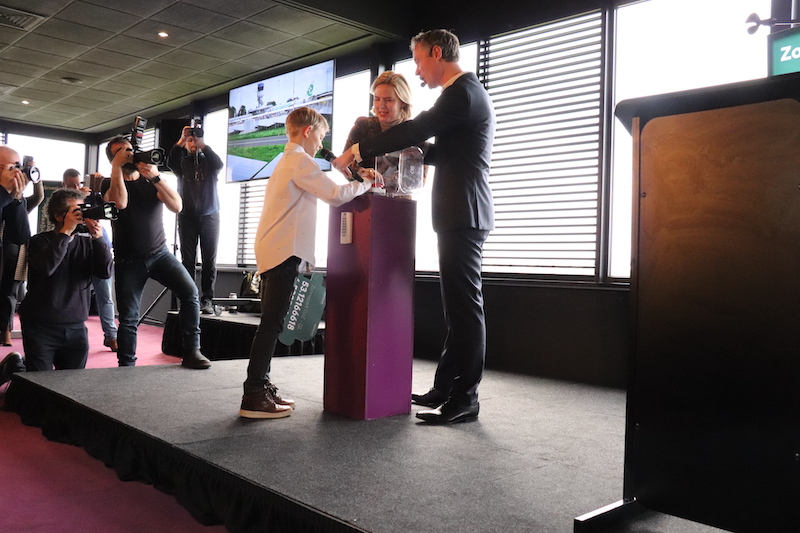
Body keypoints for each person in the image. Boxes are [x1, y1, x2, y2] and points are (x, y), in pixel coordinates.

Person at [333, 29, 496, 424]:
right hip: (458, 213)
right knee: (455, 309)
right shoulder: (463, 94)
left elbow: (417, 127)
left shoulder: (462, 92)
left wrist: (358, 150)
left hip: (465, 212)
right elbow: (443, 151)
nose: (419, 71)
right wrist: (410, 151)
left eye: (420, 61)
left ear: (437, 53)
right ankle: (444, 388)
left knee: (465, 309)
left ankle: (466, 398)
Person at [240, 106, 372, 419]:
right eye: (321, 136)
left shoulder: (287, 161)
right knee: (271, 324)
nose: (321, 144)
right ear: (308, 131)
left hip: (276, 250)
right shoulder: (300, 161)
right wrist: (366, 181)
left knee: (271, 322)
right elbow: (336, 195)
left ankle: (261, 387)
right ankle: (254, 394)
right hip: (283, 252)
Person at [102, 136, 211, 370]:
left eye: (130, 149)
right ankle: (126, 366)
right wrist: (116, 168)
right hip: (128, 261)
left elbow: (177, 206)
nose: (128, 154)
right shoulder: (108, 183)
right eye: (121, 152)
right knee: (129, 318)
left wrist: (156, 177)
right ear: (113, 159)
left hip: (160, 254)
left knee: (190, 293)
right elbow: (120, 203)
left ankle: (192, 351)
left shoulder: (150, 181)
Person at [19, 188, 113, 371]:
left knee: (71, 383)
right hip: (40, 326)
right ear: (59, 216)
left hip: (76, 327)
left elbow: (105, 272)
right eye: (76, 212)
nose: (81, 216)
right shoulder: (40, 241)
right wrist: (66, 232)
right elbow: (47, 267)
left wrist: (99, 239)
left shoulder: (87, 243)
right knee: (39, 381)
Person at [167, 125, 223, 315]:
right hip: (187, 217)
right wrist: (181, 141)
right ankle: (189, 299)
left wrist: (203, 145)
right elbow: (170, 162)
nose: (193, 143)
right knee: (188, 260)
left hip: (210, 215)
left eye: (195, 140)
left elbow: (219, 164)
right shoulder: (181, 164)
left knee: (209, 260)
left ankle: (207, 299)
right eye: (190, 141)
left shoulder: (210, 162)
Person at [63, 168, 118, 352]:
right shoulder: (62, 202)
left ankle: (111, 335)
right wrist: (77, 198)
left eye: (78, 184)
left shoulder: (93, 197)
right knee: (70, 292)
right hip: (75, 250)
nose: (76, 188)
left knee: (105, 295)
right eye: (72, 186)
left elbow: (110, 207)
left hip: (98, 246)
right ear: (64, 185)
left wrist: (99, 189)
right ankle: (66, 331)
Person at [0, 163, 43, 346]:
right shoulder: (3, 198)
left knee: (9, 294)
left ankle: (6, 331)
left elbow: (39, 197)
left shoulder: (21, 202)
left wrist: (35, 176)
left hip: (16, 256)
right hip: (3, 253)